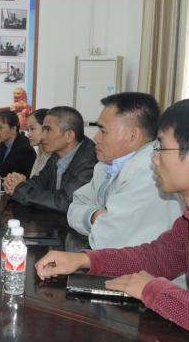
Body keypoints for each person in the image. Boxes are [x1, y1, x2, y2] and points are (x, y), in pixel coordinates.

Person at [36, 96, 189, 342]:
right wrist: (84, 260)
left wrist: (152, 290)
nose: (154, 159)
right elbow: (157, 257)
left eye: (162, 148)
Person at [68, 92, 182, 249]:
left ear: (132, 136)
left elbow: (107, 239)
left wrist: (93, 220)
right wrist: (94, 216)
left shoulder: (149, 169)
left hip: (146, 264)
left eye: (103, 131)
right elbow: (74, 207)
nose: (96, 138)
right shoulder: (105, 166)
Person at [2, 106, 96, 213]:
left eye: (48, 130)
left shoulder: (89, 160)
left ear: (69, 135)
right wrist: (14, 184)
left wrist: (19, 189)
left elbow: (66, 202)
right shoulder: (56, 155)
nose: (43, 136)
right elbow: (38, 182)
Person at [25, 108, 51, 177]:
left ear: (46, 128)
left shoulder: (54, 156)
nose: (28, 134)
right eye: (27, 130)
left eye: (32, 129)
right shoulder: (41, 150)